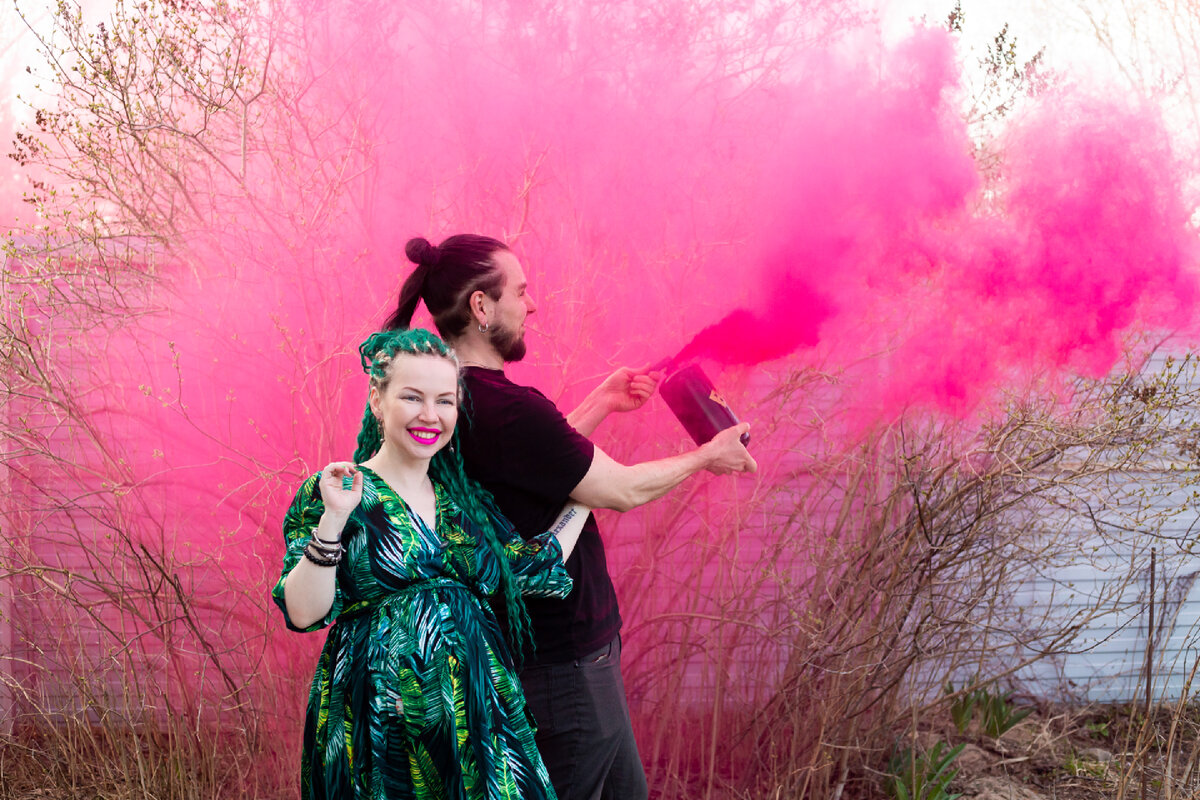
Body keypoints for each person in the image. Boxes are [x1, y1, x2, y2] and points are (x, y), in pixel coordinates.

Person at [384, 235, 757, 800]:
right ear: (482, 307)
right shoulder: (511, 410)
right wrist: (708, 455)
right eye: (520, 292)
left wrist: (601, 402)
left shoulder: (450, 401)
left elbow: (533, 468)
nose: (532, 306)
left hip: (556, 661)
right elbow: (620, 490)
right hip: (565, 671)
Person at [272, 327, 593, 800]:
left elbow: (530, 566)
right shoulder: (340, 491)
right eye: (412, 397)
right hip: (380, 726)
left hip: (476, 722)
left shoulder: (464, 505)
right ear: (378, 400)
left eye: (444, 401)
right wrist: (334, 520)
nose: (430, 415)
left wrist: (587, 495)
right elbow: (303, 612)